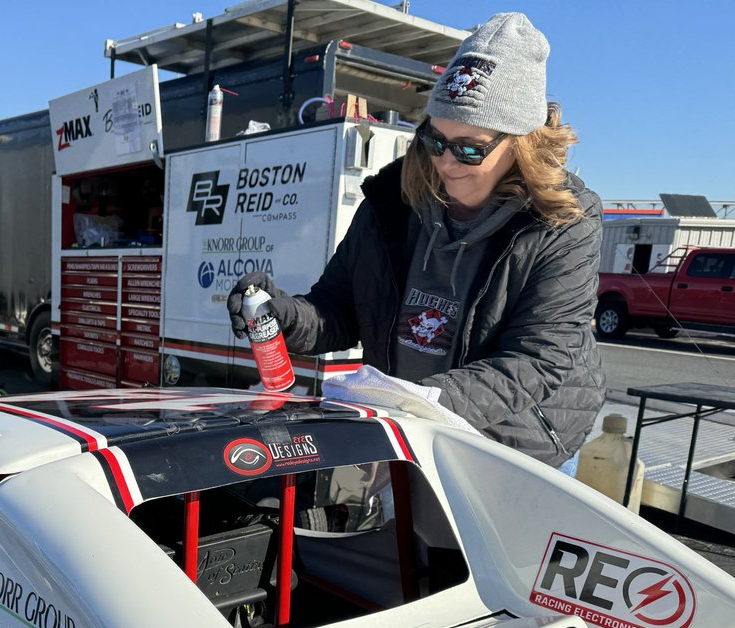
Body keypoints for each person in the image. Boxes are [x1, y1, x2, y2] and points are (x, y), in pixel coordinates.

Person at [228, 12, 605, 471]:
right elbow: (339, 309)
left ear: (520, 144)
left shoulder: (563, 222)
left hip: (516, 445)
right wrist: (283, 316)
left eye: (470, 147)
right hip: (411, 431)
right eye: (435, 137)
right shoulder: (392, 201)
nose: (447, 162)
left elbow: (537, 360)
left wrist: (424, 402)